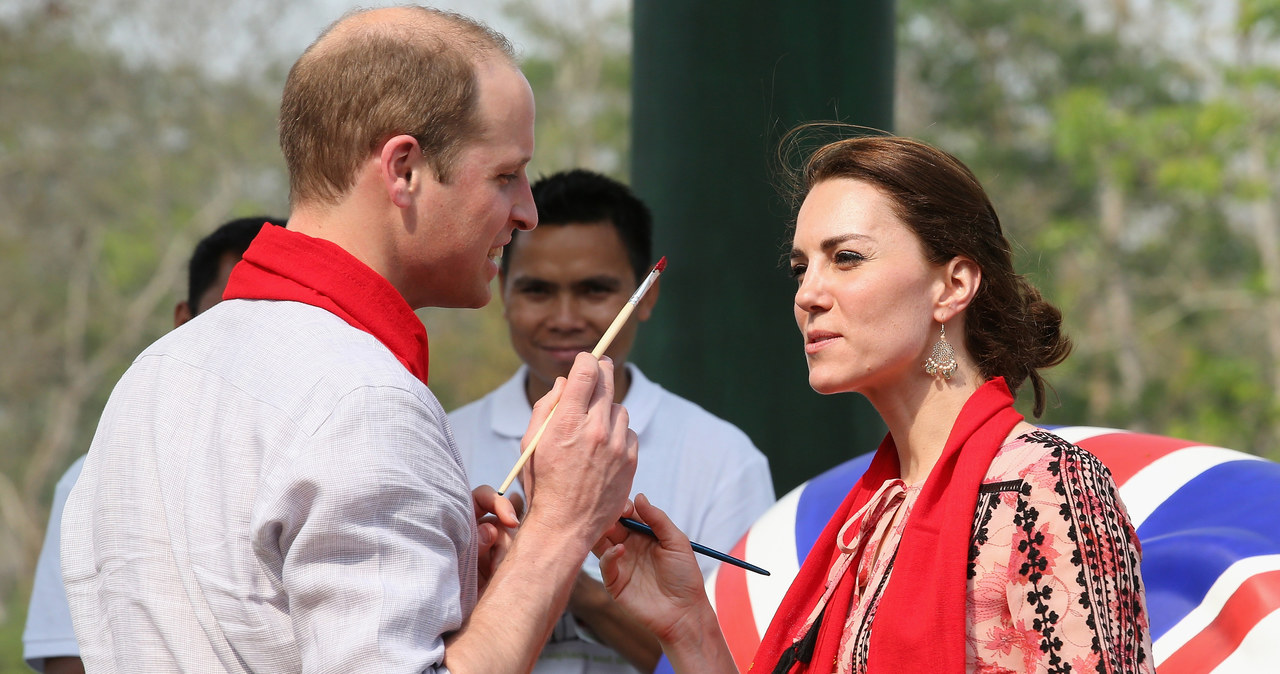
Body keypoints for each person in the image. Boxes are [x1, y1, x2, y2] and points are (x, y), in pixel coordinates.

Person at [61, 7, 637, 673]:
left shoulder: (156, 371)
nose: (527, 212)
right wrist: (560, 530)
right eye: (506, 175)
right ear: (403, 169)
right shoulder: (362, 400)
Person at [594, 135, 1154, 673]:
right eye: (800, 267)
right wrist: (688, 624)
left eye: (846, 258)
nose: (807, 294)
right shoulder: (867, 516)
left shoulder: (1046, 485)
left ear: (953, 285)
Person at [450, 169, 775, 673]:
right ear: (504, 295)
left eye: (595, 290)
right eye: (537, 291)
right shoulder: (448, 442)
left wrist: (562, 568)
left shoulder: (722, 458)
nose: (564, 316)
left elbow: (742, 656)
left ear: (645, 297)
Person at [22, 215, 281, 674]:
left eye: (279, 320)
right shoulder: (97, 477)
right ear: (184, 321)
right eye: (231, 315)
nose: (258, 341)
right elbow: (69, 660)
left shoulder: (334, 459)